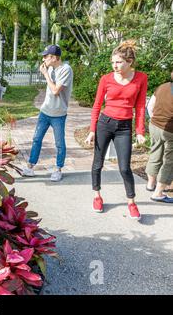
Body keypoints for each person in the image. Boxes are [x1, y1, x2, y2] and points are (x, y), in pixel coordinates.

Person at [84, 40, 147, 220]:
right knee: (98, 163)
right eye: (113, 62)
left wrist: (140, 131)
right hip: (105, 123)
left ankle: (131, 202)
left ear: (129, 62)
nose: (115, 65)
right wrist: (92, 130)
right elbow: (97, 105)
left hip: (124, 127)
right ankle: (97, 196)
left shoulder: (141, 78)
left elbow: (140, 106)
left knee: (125, 168)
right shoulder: (106, 79)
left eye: (118, 62)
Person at [22, 44, 73, 182]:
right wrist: (46, 72)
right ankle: (30, 166)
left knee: (59, 143)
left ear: (54, 57)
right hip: (45, 111)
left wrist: (45, 74)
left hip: (59, 114)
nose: (43, 59)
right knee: (36, 139)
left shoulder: (66, 70)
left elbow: (56, 91)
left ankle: (58, 169)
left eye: (46, 56)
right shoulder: (50, 69)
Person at [145, 70, 173, 203]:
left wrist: (154, 120)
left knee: (155, 153)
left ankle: (150, 184)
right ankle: (159, 192)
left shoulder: (162, 86)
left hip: (155, 126)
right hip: (170, 131)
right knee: (170, 161)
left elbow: (150, 106)